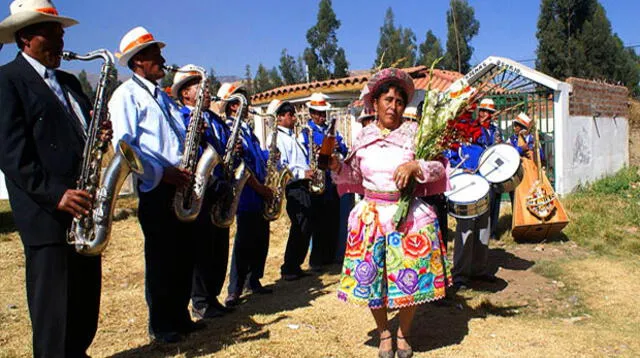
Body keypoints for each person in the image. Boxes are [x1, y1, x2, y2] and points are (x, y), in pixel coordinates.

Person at [0, 1, 111, 356]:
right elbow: (11, 153)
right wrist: (55, 194)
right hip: (47, 213)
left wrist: (99, 134)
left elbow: (80, 133)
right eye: (53, 34)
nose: (62, 42)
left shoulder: (66, 80)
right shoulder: (7, 81)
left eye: (62, 34)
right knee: (54, 311)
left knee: (83, 302)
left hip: (82, 206)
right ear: (26, 38)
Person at [329, 68, 451, 358]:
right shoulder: (363, 138)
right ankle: (384, 332)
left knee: (409, 275)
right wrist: (336, 166)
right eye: (388, 100)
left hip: (407, 216)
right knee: (374, 279)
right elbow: (354, 175)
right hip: (371, 217)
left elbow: (439, 167)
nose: (393, 107)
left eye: (399, 101)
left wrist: (415, 166)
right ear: (375, 103)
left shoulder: (414, 134)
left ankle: (403, 333)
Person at [108, 27, 205, 343]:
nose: (162, 59)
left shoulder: (163, 98)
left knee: (183, 255)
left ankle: (180, 317)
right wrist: (162, 174)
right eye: (154, 55)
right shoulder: (125, 96)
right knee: (162, 258)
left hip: (181, 184)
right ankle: (161, 324)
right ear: (138, 61)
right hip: (158, 188)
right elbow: (126, 148)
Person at [171, 68, 235, 319]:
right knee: (201, 247)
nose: (207, 92)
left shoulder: (213, 119)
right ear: (186, 93)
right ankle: (199, 300)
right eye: (200, 88)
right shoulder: (184, 116)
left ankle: (211, 296)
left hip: (218, 185)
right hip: (199, 188)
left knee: (217, 247)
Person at [220, 83, 275, 307]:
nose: (248, 106)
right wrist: (260, 188)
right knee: (244, 240)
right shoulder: (230, 129)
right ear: (233, 106)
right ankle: (235, 288)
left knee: (260, 239)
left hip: (259, 191)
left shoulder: (247, 130)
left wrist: (268, 155)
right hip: (246, 193)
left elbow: (256, 157)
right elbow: (239, 164)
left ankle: (254, 279)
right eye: (243, 102)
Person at [271, 99, 318, 281]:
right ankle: (288, 266)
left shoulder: (293, 136)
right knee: (299, 225)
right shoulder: (277, 138)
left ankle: (296, 264)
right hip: (294, 186)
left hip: (303, 184)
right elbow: (282, 166)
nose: (294, 118)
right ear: (280, 117)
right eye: (290, 115)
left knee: (306, 225)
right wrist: (302, 173)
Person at [304, 92, 349, 270]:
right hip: (318, 179)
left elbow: (343, 149)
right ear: (311, 113)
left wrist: (339, 146)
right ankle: (316, 259)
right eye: (318, 113)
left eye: (323, 113)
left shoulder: (331, 131)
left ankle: (329, 256)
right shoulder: (307, 131)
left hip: (332, 181)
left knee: (332, 219)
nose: (321, 116)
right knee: (318, 221)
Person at [477, 98, 503, 240]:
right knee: (486, 202)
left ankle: (493, 232)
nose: (484, 114)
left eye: (487, 112)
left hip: (495, 170)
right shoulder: (475, 128)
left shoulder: (496, 130)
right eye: (482, 111)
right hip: (482, 171)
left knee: (496, 200)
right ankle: (483, 233)